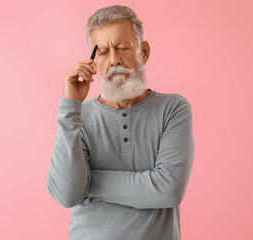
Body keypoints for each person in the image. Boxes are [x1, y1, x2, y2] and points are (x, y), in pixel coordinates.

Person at [47, 5, 194, 240]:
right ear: (94, 62)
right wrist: (69, 105)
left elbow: (168, 190)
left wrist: (88, 182)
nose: (114, 60)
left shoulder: (173, 109)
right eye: (103, 52)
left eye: (123, 48)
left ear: (143, 52)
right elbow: (67, 194)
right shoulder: (77, 115)